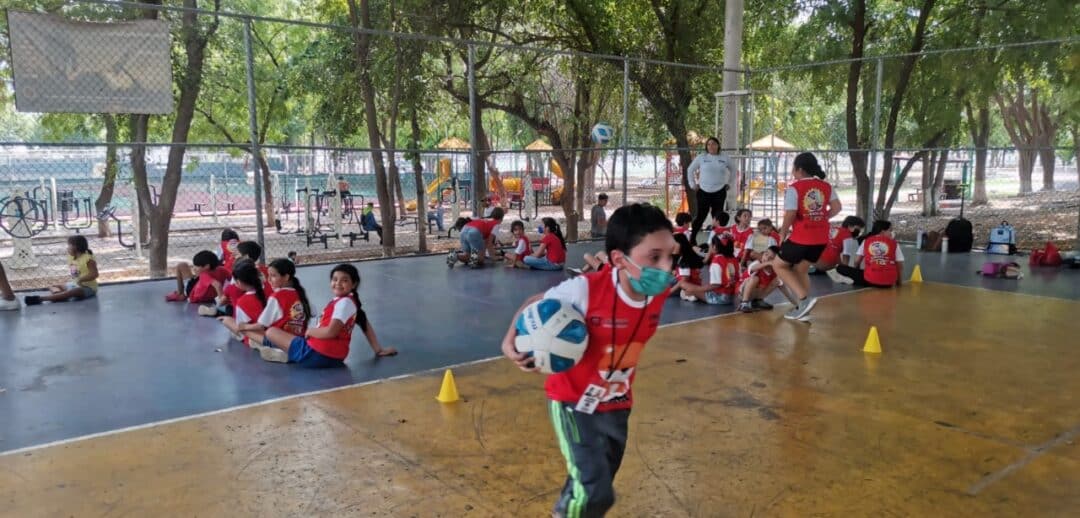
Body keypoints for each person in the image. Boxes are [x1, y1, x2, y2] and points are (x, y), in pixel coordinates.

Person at [500, 203, 676, 517]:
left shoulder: (658, 291)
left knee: (592, 483)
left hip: (617, 402)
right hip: (572, 403)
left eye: (669, 255)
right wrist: (510, 338)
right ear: (620, 260)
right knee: (595, 489)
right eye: (654, 257)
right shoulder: (584, 290)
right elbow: (535, 302)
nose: (665, 267)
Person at [259, 263, 397, 366]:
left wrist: (310, 331)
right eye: (335, 279)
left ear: (354, 284)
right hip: (334, 356)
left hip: (317, 354)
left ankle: (288, 356)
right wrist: (378, 349)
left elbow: (331, 332)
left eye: (344, 280)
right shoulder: (350, 302)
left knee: (271, 331)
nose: (338, 283)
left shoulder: (344, 303)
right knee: (288, 337)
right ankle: (288, 353)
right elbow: (364, 322)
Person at [773, 152, 841, 320]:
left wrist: (782, 231)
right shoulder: (826, 186)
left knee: (778, 265)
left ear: (800, 169)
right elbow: (837, 208)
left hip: (802, 237)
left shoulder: (794, 188)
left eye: (793, 168)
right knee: (800, 269)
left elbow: (790, 213)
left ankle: (804, 300)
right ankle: (804, 310)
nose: (792, 172)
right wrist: (822, 217)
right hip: (821, 238)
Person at [238, 258, 312, 345]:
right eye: (268, 275)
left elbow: (262, 325)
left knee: (244, 331)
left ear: (286, 277)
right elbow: (312, 312)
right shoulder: (300, 293)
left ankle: (275, 351)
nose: (269, 279)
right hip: (299, 340)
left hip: (280, 342)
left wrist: (244, 326)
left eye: (273, 276)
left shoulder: (277, 297)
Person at [198, 240, 271, 317]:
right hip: (264, 305)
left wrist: (219, 303)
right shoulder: (264, 270)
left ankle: (216, 311)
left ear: (246, 256)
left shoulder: (239, 273)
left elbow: (229, 295)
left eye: (237, 253)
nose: (233, 255)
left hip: (240, 309)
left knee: (225, 302)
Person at [24, 236, 99, 306]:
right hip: (74, 284)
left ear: (75, 247)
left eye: (69, 245)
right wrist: (75, 281)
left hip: (88, 288)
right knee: (53, 286)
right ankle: (59, 295)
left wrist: (80, 280)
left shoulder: (88, 259)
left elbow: (94, 274)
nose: (67, 248)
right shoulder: (71, 257)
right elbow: (74, 274)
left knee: (75, 291)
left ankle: (40, 299)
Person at [827, 220, 905, 288]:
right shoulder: (894, 244)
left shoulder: (866, 241)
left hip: (869, 280)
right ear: (882, 231)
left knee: (840, 268)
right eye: (890, 230)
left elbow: (856, 261)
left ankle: (852, 280)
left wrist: (856, 273)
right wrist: (899, 283)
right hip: (888, 283)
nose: (892, 233)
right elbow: (899, 266)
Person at [687, 136, 735, 244]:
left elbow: (734, 169)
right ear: (706, 147)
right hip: (703, 191)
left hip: (719, 192)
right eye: (708, 144)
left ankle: (716, 241)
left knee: (717, 217)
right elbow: (690, 169)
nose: (711, 146)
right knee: (700, 216)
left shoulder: (725, 157)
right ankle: (692, 238)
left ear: (718, 145)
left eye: (713, 144)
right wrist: (692, 184)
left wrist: (729, 184)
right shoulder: (702, 157)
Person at [216, 260, 268, 345]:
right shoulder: (269, 288)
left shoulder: (242, 301)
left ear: (238, 282)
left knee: (226, 320)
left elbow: (241, 326)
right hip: (273, 332)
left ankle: (251, 340)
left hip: (257, 334)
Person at [679, 233, 739, 305]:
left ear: (715, 247)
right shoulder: (734, 259)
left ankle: (691, 294)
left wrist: (696, 289)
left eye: (711, 244)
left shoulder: (717, 261)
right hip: (732, 296)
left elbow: (715, 285)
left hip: (719, 298)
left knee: (685, 286)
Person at [736, 246, 797, 313]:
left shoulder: (775, 272)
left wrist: (796, 304)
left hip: (756, 294)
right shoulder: (757, 263)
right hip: (742, 293)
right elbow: (753, 268)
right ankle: (744, 304)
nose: (766, 258)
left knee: (777, 281)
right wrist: (768, 263)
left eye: (771, 258)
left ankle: (757, 301)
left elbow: (785, 290)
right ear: (763, 253)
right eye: (766, 254)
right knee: (755, 279)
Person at [165, 250, 230, 304]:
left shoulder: (204, 276)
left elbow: (217, 285)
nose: (194, 268)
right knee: (194, 274)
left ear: (207, 266)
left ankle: (180, 294)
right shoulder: (222, 269)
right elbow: (232, 278)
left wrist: (222, 301)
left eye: (196, 266)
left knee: (181, 265)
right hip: (204, 291)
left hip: (191, 293)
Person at [673, 233, 706, 301]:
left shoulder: (684, 260)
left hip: (687, 285)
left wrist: (670, 291)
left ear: (681, 244)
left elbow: (684, 281)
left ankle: (688, 293)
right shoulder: (689, 256)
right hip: (696, 285)